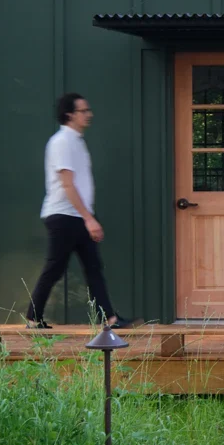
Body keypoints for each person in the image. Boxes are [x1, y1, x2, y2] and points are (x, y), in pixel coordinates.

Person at [26, 92, 130, 329]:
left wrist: (87, 217)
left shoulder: (76, 142)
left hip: (76, 216)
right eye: (84, 111)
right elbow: (67, 184)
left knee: (93, 268)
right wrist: (89, 218)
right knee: (55, 268)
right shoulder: (62, 142)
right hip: (64, 216)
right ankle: (33, 317)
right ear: (69, 114)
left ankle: (110, 318)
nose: (89, 114)